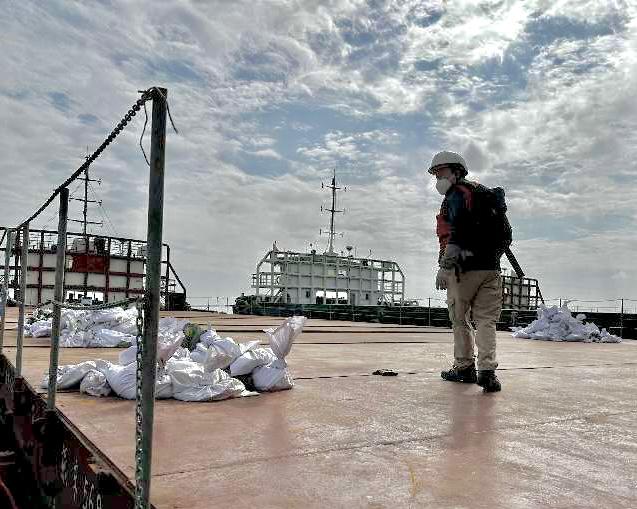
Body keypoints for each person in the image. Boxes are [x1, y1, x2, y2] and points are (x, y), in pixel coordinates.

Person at [429, 151, 505, 393]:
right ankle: (487, 372)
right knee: (486, 321)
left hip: (463, 270)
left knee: (460, 319)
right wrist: (490, 258)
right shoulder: (485, 195)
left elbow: (457, 234)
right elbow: (506, 235)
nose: (437, 177)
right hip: (491, 269)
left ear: (456, 171)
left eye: (440, 172)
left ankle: (464, 368)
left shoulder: (456, 195)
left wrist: (445, 267)